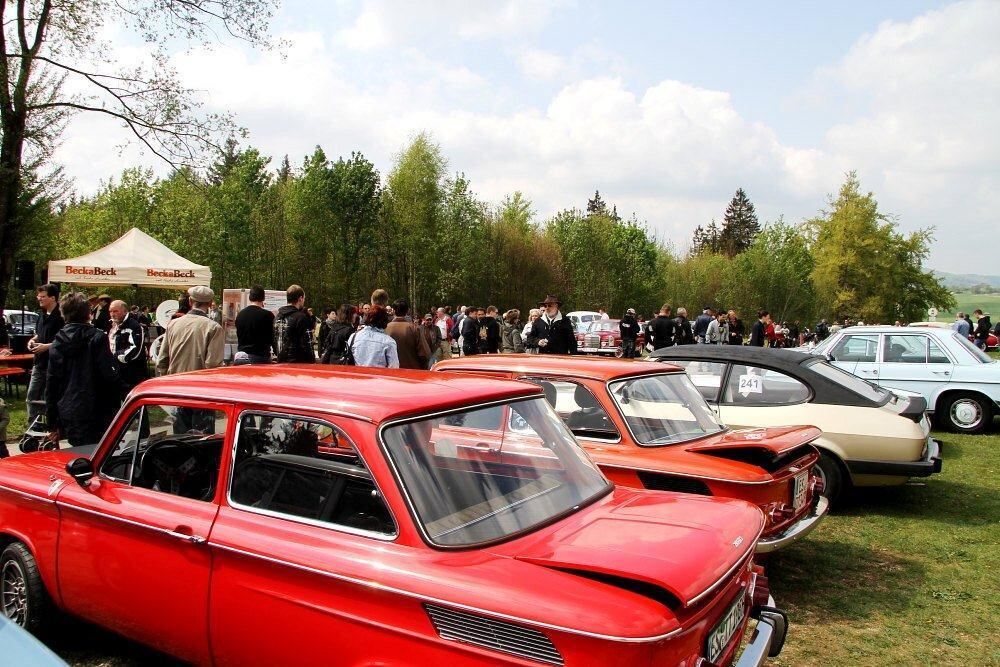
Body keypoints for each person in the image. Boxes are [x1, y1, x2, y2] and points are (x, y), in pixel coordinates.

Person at [45, 292, 129, 447]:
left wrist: (52, 421)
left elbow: (52, 383)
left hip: (70, 409)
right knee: (102, 454)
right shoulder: (97, 338)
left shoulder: (57, 342)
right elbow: (109, 375)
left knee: (80, 453)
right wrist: (128, 393)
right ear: (88, 313)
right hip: (98, 408)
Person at [155, 286, 225, 375]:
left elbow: (162, 359)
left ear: (190, 301)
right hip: (198, 383)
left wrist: (165, 378)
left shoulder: (173, 324)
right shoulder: (214, 328)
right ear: (210, 303)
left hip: (173, 382)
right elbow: (213, 364)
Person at [26, 283, 63, 427]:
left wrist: (46, 347)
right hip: (39, 364)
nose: (39, 299)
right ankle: (33, 427)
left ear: (53, 298)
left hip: (54, 365)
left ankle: (53, 427)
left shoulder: (61, 316)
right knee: (31, 397)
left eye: (42, 296)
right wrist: (32, 340)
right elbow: (39, 334)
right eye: (38, 296)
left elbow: (65, 341)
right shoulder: (41, 315)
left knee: (51, 397)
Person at [108, 299, 147, 389]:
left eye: (115, 311)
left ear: (125, 312)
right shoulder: (113, 324)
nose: (112, 314)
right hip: (116, 371)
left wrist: (114, 357)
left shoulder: (134, 326)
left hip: (131, 374)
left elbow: (135, 350)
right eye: (110, 311)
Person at [235, 285, 275, 365]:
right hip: (260, 357)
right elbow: (272, 338)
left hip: (241, 357)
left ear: (250, 297)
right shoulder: (267, 315)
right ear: (263, 298)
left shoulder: (240, 315)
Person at [274, 284, 315, 364]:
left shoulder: (277, 317)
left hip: (280, 362)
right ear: (300, 298)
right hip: (297, 364)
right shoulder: (301, 317)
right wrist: (312, 362)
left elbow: (274, 340)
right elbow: (307, 343)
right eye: (304, 298)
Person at [386, 299, 432, 370]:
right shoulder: (415, 329)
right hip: (412, 373)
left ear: (393, 311)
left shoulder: (386, 328)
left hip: (390, 374)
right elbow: (425, 354)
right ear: (407, 311)